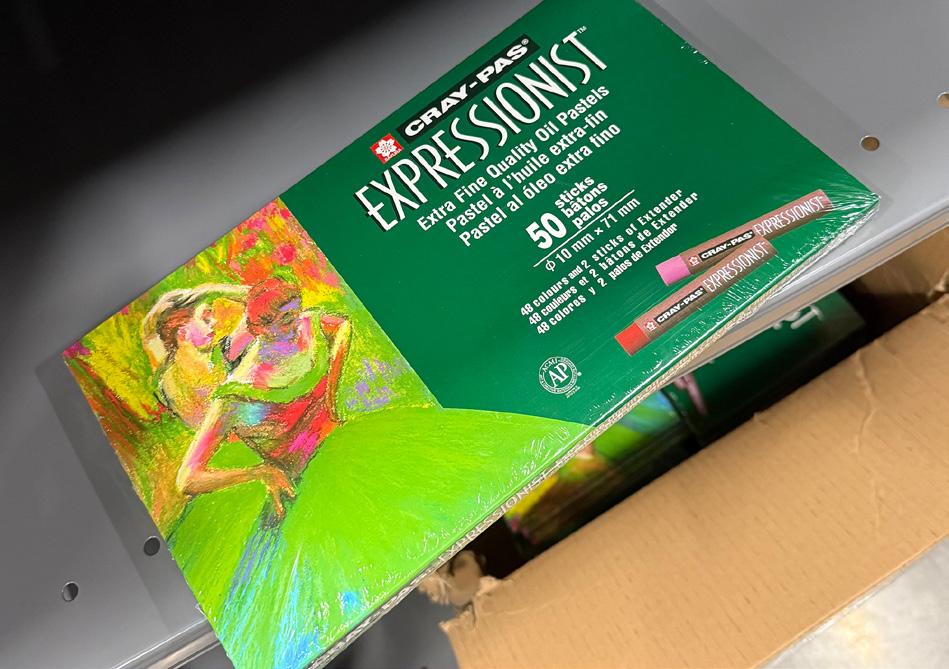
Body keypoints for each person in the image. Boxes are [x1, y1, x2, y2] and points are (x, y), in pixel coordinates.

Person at [175, 277, 352, 518]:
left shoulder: (307, 325)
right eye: (286, 320)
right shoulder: (235, 396)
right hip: (304, 482)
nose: (297, 323)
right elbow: (187, 479)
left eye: (297, 312)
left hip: (341, 443)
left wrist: (331, 394)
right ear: (259, 329)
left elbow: (343, 327)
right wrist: (260, 472)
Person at [141, 284, 249, 429]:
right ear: (182, 331)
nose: (214, 322)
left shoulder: (222, 352)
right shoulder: (171, 384)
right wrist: (212, 290)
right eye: (205, 319)